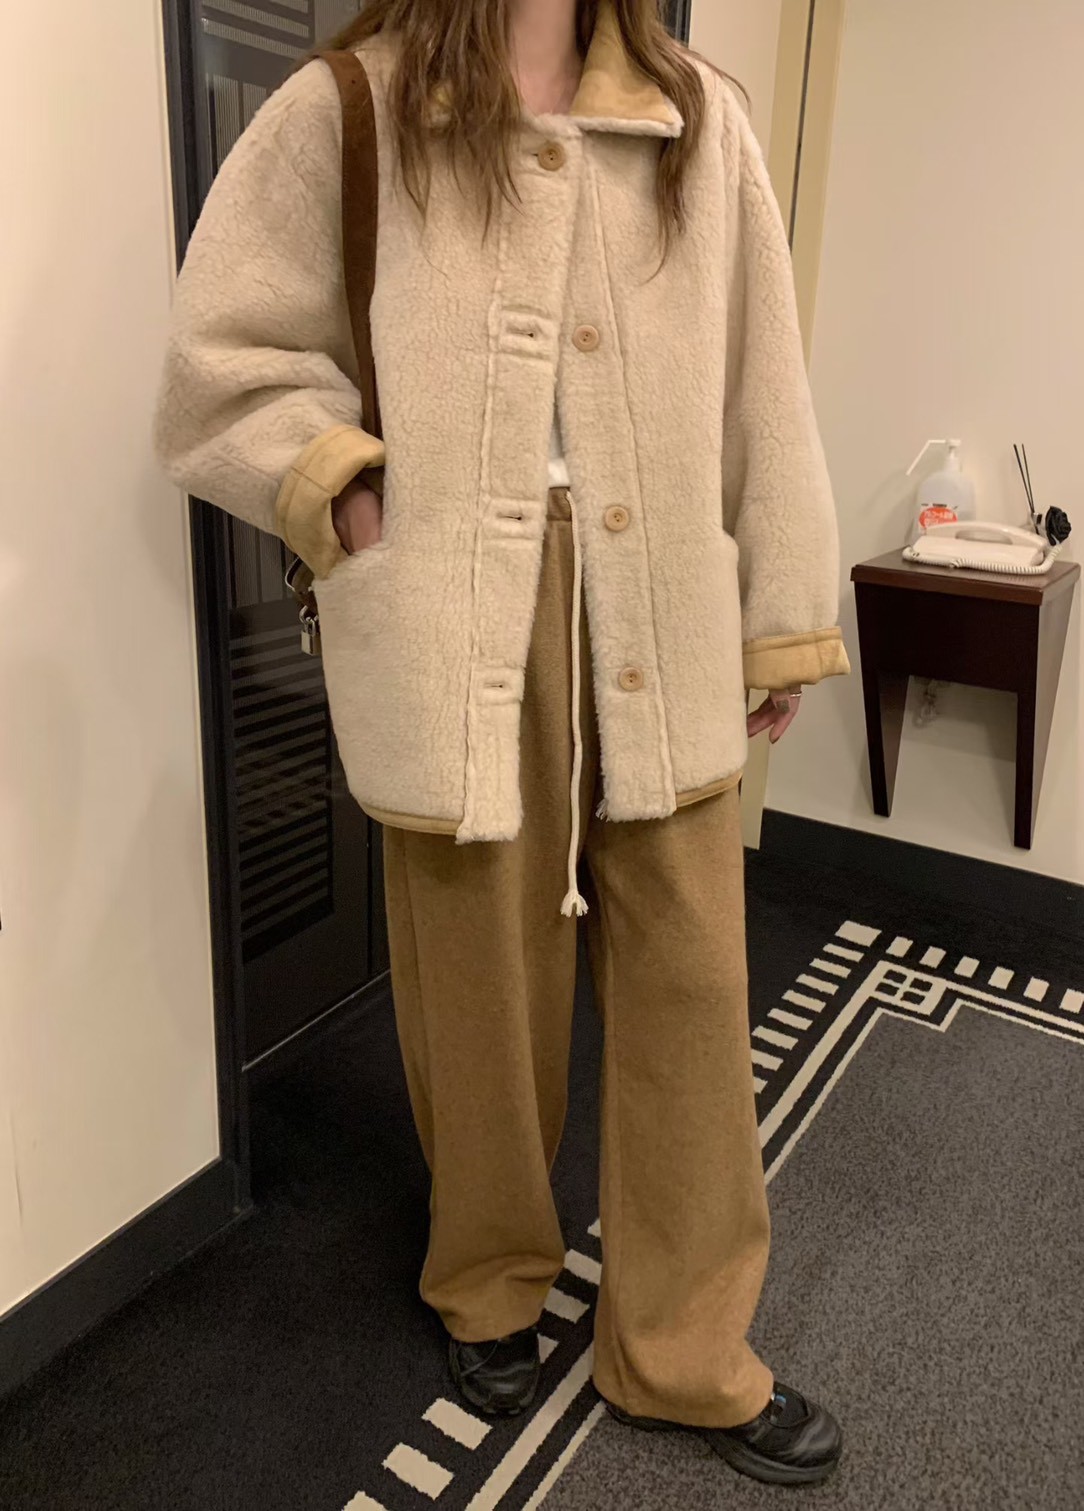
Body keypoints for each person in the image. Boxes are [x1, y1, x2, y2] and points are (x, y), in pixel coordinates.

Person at [155, 0, 850, 1488]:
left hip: (662, 602)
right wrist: (349, 497)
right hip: (454, 610)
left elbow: (763, 381)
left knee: (692, 989)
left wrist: (782, 611)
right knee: (476, 992)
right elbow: (227, 357)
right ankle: (489, 1281)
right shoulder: (354, 107)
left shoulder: (695, 116)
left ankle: (685, 1345)